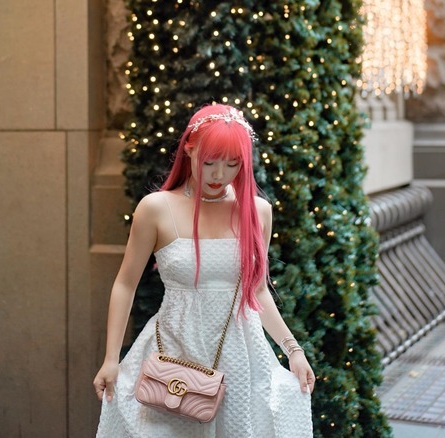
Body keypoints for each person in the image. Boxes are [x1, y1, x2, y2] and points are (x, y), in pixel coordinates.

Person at [93, 104, 315, 437]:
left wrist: (292, 349)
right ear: (189, 149)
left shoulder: (257, 211)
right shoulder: (156, 208)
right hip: (174, 349)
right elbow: (125, 284)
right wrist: (111, 358)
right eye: (209, 162)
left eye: (232, 163)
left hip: (241, 353)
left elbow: (256, 290)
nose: (219, 175)